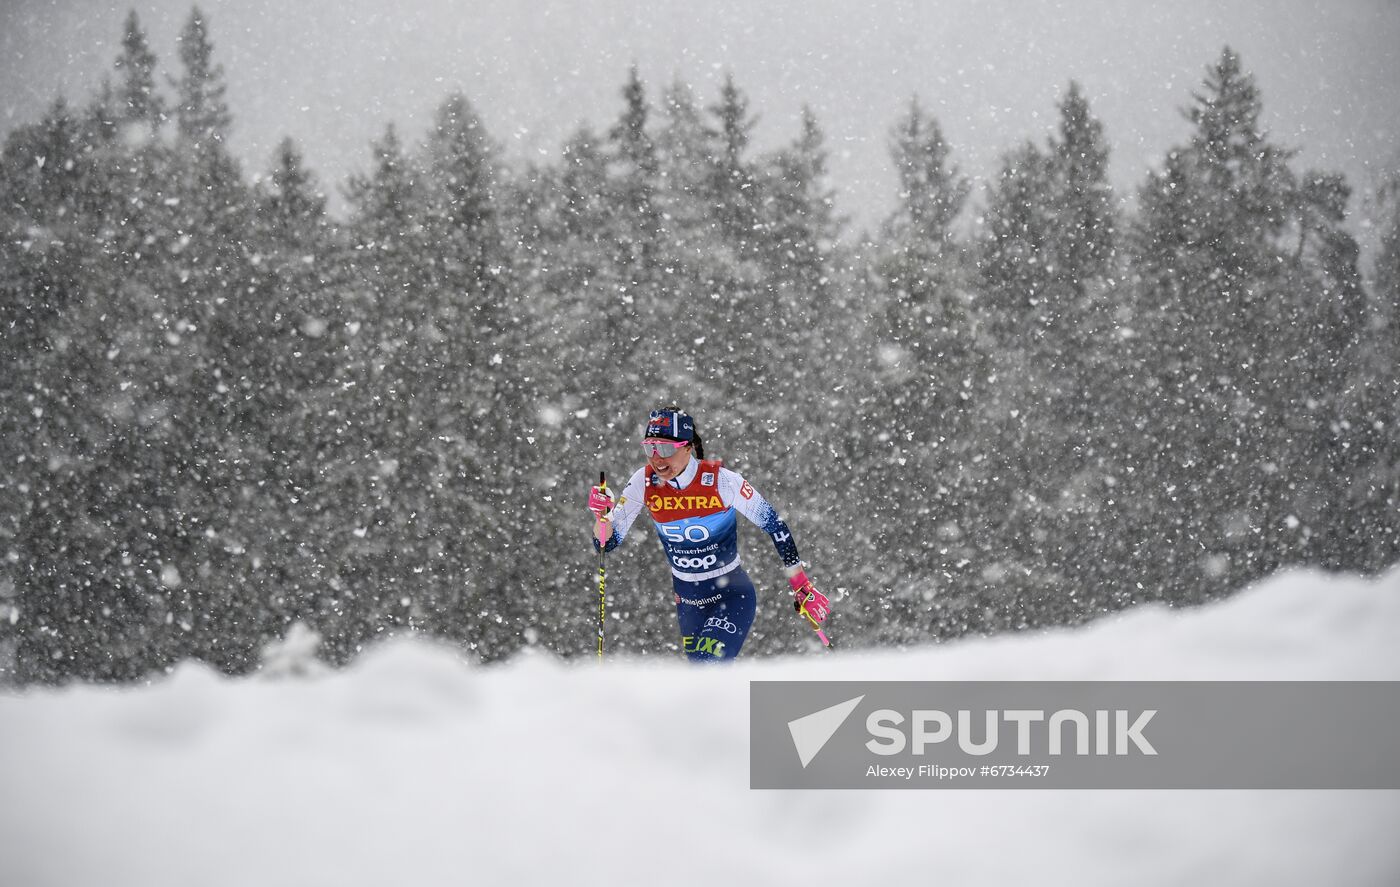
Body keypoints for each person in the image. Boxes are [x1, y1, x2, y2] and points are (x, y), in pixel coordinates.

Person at [586, 407, 832, 661]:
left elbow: (774, 524)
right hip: (687, 600)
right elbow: (607, 542)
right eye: (650, 448)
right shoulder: (643, 482)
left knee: (708, 665)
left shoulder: (721, 482)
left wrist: (801, 584)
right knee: (702, 681)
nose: (658, 459)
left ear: (688, 446)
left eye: (667, 449)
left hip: (731, 593)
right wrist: (601, 517)